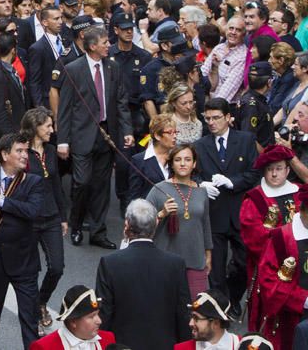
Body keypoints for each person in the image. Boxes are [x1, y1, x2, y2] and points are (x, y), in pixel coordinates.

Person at [57, 26, 133, 249]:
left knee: (102, 186)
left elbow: (121, 101)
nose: (109, 45)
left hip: (107, 135)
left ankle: (98, 232)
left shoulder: (113, 67)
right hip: (81, 136)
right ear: (92, 46)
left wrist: (127, 130)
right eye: (104, 42)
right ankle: (77, 224)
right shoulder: (73, 69)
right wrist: (63, 140)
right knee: (82, 182)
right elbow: (65, 108)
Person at [0, 133, 44, 350]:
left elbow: (32, 211)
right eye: (20, 151)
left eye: (26, 151)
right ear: (5, 154)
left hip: (24, 261)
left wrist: (0, 199)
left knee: (29, 320)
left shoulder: (33, 181)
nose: (25, 155)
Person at [193, 97, 259, 319]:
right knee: (216, 268)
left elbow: (254, 173)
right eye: (207, 118)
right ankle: (223, 306)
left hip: (241, 213)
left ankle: (234, 296)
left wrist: (233, 182)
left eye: (216, 118)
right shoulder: (200, 145)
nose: (211, 123)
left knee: (242, 263)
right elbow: (194, 174)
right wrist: (202, 184)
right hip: (214, 214)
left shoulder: (246, 140)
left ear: (229, 118)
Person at [95, 199, 191, 350]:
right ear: (156, 224)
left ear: (127, 225)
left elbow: (104, 313)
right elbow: (183, 313)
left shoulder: (110, 263)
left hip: (122, 345)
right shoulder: (175, 263)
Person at [240, 144, 306, 333]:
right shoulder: (254, 199)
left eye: (279, 169)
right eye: (270, 170)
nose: (274, 174)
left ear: (287, 170)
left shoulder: (300, 193)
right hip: (270, 270)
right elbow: (254, 241)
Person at [19, 107, 67, 334]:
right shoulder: (21, 152)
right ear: (35, 128)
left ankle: (40, 301)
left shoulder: (50, 150)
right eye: (47, 125)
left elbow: (56, 185)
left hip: (51, 218)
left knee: (57, 267)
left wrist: (64, 217)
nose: (51, 129)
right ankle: (31, 313)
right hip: (28, 220)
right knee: (28, 272)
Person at [146, 144, 213, 298]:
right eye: (178, 159)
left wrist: (208, 255)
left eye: (187, 159)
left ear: (194, 164)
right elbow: (140, 227)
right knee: (164, 307)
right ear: (171, 163)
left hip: (195, 259)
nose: (183, 163)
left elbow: (205, 225)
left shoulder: (201, 192)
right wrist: (162, 213)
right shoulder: (158, 189)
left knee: (195, 308)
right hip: (164, 260)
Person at [29, 285, 116, 350]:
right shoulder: (44, 347)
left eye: (97, 314)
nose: (99, 321)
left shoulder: (108, 339)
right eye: (92, 316)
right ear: (73, 322)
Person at [128, 113, 178, 200]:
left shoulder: (178, 157)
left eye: (176, 132)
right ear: (157, 135)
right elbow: (134, 195)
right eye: (170, 132)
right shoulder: (139, 161)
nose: (175, 136)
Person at [173, 289, 239, 350]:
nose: (190, 323)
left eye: (196, 318)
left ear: (216, 323)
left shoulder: (243, 346)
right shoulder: (181, 348)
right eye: (191, 316)